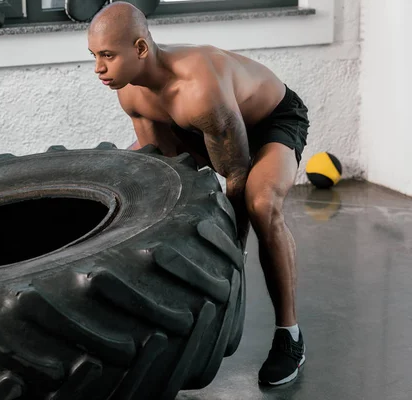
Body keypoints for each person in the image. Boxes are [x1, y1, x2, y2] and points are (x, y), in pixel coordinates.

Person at [87, 2, 309, 386]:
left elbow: (234, 175)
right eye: (94, 56)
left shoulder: (198, 88)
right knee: (130, 170)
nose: (98, 69)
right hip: (200, 126)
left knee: (260, 203)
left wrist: (230, 263)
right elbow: (169, 170)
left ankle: (289, 335)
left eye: (108, 56)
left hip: (269, 121)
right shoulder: (130, 93)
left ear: (140, 49)